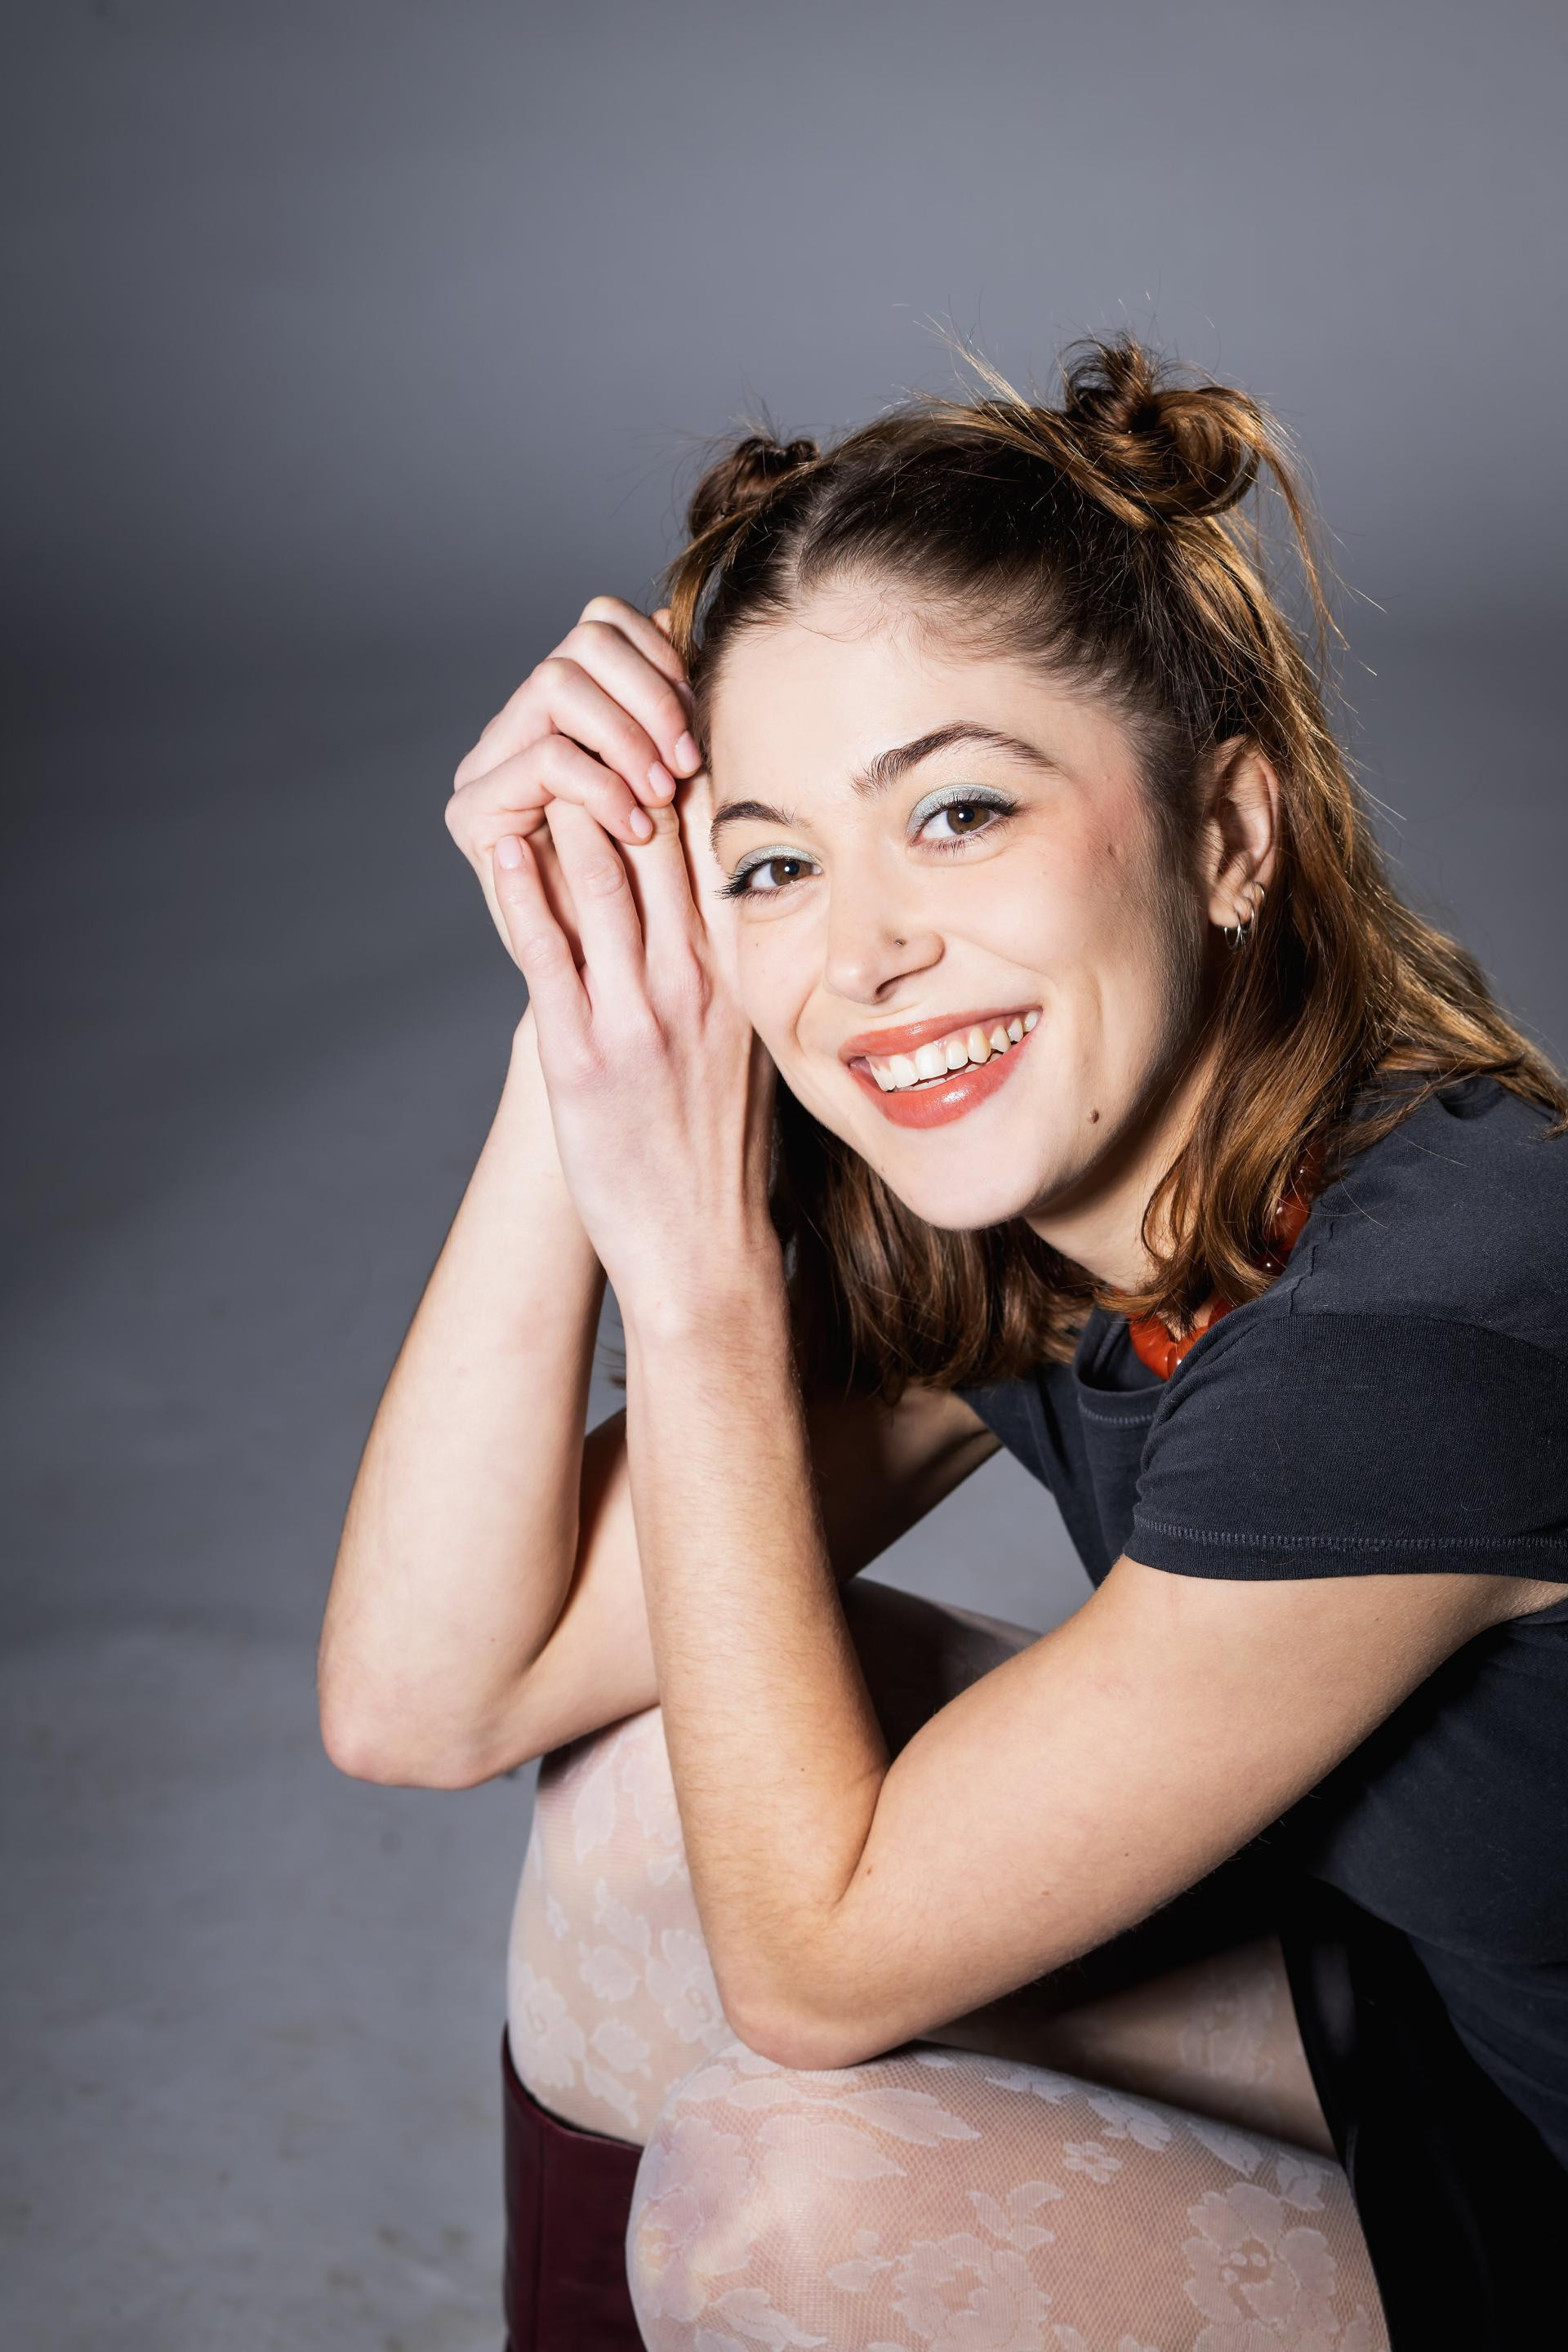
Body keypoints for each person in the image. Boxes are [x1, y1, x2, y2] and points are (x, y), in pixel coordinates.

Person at [318, 330, 1568, 2350]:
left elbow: (816, 1969)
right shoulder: (1049, 1231)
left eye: (960, 812)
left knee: (776, 2212)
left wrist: (695, 1279)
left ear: (1232, 834)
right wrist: (589, 999)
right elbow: (425, 1698)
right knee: (635, 1809)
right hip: (1438, 2027)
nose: (866, 949)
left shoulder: (1414, 1329)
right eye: (774, 865)